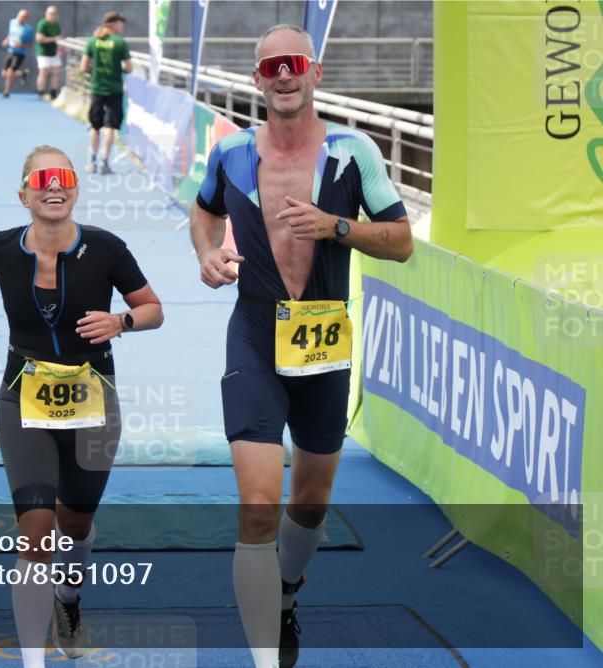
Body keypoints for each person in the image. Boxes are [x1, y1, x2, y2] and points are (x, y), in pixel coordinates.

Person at [190, 25, 414, 668]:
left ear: (315, 71)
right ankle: (266, 656)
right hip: (255, 333)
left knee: (310, 501)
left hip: (323, 338)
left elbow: (401, 242)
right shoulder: (231, 151)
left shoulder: (354, 152)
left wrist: (337, 226)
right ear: (258, 79)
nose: (283, 75)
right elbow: (203, 210)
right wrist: (207, 252)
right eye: (271, 66)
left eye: (295, 63)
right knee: (257, 506)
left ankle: (287, 590)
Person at [0, 145, 163, 667]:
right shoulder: (1, 247)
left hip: (93, 402)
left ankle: (68, 600)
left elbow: (153, 309)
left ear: (75, 189)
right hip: (22, 400)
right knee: (36, 531)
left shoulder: (107, 248)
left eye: (64, 179)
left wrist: (121, 322)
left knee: (75, 525)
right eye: (42, 180)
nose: (53, 187)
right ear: (24, 193)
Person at [80, 11, 132, 175]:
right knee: (110, 127)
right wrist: (117, 69)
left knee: (95, 126)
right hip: (114, 89)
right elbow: (129, 68)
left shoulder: (93, 41)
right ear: (114, 23)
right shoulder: (119, 42)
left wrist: (96, 71)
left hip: (97, 87)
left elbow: (84, 67)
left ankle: (91, 161)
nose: (122, 26)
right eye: (120, 22)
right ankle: (104, 162)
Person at [1, 8, 34, 98]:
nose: (19, 18)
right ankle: (22, 73)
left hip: (20, 53)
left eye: (22, 17)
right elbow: (11, 34)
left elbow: (30, 43)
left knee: (10, 71)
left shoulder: (28, 29)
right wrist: (6, 40)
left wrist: (22, 45)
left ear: (26, 18)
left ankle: (6, 92)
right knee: (4, 73)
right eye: (19, 16)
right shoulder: (12, 22)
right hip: (10, 51)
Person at [35, 6, 63, 101]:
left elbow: (59, 38)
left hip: (54, 52)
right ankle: (41, 92)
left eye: (54, 14)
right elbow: (39, 38)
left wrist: (60, 47)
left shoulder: (56, 25)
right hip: (43, 52)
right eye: (51, 14)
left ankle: (53, 93)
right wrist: (53, 39)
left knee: (56, 72)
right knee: (44, 72)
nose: (52, 16)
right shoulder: (42, 24)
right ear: (46, 14)